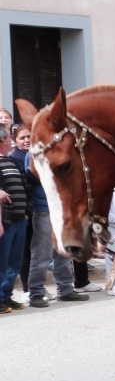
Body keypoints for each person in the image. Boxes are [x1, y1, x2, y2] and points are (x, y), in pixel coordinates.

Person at [22, 133, 89, 308]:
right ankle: (36, 292)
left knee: (64, 251)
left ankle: (65, 289)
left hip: (61, 208)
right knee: (42, 253)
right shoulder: (33, 154)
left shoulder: (58, 152)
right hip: (43, 209)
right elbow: (31, 177)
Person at [0, 142, 29, 312]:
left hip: (20, 218)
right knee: (2, 261)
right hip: (5, 220)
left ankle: (6, 296)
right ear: (3, 142)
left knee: (15, 261)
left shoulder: (12, 161)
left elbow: (25, 185)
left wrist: (26, 210)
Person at [9, 124, 32, 292]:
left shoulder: (32, 154)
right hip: (22, 211)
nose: (26, 140)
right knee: (25, 252)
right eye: (22, 138)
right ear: (14, 141)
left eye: (28, 136)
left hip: (31, 209)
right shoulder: (15, 157)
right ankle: (26, 289)